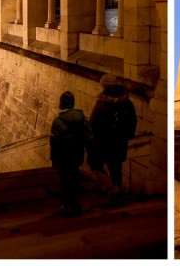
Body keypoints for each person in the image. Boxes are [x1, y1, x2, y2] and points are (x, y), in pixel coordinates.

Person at [88, 73, 137, 206]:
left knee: (95, 165)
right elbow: (132, 121)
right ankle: (118, 194)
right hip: (120, 142)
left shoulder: (102, 104)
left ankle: (111, 189)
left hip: (103, 143)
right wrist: (126, 136)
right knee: (116, 168)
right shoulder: (127, 103)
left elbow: (93, 124)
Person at [50, 91, 90, 217]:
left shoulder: (57, 122)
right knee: (73, 178)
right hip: (77, 154)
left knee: (65, 180)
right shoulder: (83, 119)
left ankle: (71, 205)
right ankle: (69, 203)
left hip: (63, 156)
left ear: (61, 104)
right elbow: (89, 136)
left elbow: (54, 143)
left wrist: (54, 160)